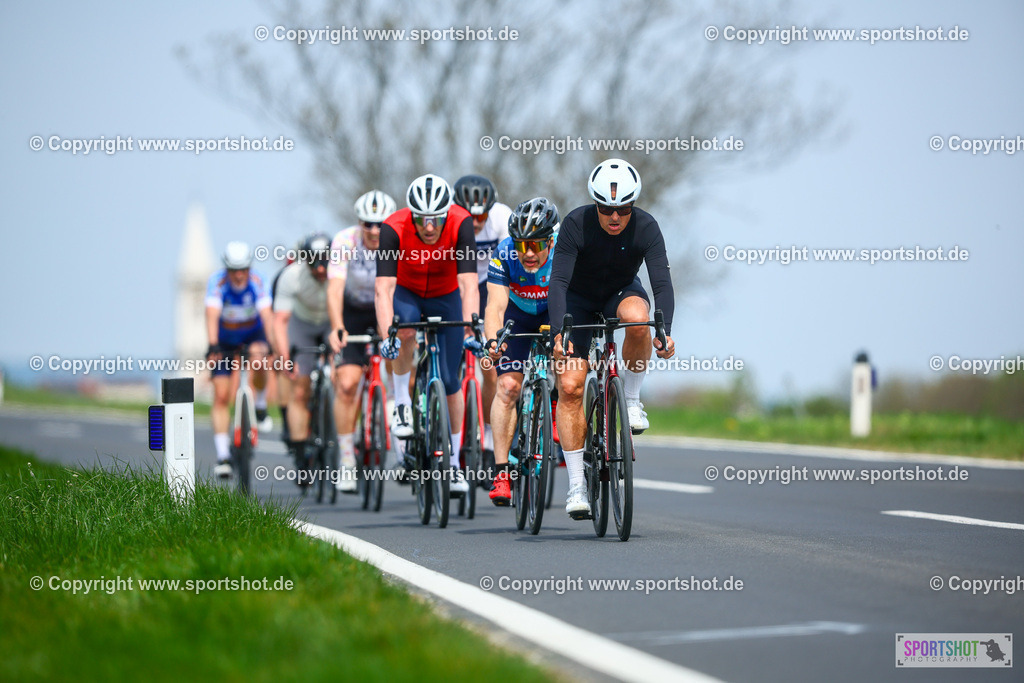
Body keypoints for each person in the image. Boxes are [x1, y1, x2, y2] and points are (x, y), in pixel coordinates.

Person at [549, 159, 676, 519]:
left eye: (623, 209)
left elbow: (662, 283)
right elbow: (557, 283)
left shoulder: (647, 227)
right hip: (578, 300)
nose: (615, 216)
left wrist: (665, 332)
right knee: (571, 385)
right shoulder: (576, 224)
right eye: (607, 209)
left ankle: (632, 400)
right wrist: (561, 332)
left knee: (639, 320)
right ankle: (576, 485)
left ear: (633, 206)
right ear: (596, 205)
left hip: (620, 292)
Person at [374, 174, 478, 494]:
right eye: (422, 219)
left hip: (445, 294)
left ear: (447, 214)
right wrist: (386, 336)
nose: (429, 227)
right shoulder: (393, 228)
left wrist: (471, 325)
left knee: (449, 382)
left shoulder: (462, 223)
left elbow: (468, 283)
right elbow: (383, 289)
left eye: (436, 219)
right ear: (412, 215)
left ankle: (455, 465)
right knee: (403, 331)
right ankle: (403, 403)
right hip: (407, 291)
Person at [483, 197, 559, 505]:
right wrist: (493, 340)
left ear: (551, 240)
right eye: (521, 244)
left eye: (536, 244)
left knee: (568, 366)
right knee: (508, 386)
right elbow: (495, 306)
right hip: (518, 315)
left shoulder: (566, 252)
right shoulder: (503, 254)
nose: (527, 253)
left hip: (554, 311)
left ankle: (554, 409)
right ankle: (501, 473)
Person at [327, 190, 397, 493]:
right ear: (359, 223)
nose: (374, 231)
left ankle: (400, 440)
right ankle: (346, 460)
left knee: (402, 372)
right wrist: (338, 326)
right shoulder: (345, 241)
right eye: (368, 224)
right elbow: (334, 288)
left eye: (380, 224)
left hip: (387, 308)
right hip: (354, 311)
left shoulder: (398, 240)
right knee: (346, 384)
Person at [452, 175, 512, 469]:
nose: (476, 222)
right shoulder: (448, 220)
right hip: (457, 283)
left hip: (492, 283)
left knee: (490, 367)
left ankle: (489, 439)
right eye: (470, 216)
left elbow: (509, 264)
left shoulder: (502, 216)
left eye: (481, 216)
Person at [205, 241, 278, 478]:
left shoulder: (258, 280)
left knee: (259, 359)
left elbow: (267, 315)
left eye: (243, 269)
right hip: (225, 340)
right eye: (233, 270)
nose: (239, 275)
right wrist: (213, 344)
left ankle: (260, 406)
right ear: (226, 269)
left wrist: (272, 345)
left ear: (249, 268)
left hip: (252, 334)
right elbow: (212, 314)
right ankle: (223, 456)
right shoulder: (217, 282)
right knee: (221, 394)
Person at [275, 232, 333, 478]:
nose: (320, 269)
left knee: (342, 377)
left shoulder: (342, 270)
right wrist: (286, 356)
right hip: (303, 325)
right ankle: (300, 453)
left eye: (325, 261)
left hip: (331, 322)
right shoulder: (291, 276)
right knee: (300, 389)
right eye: (314, 263)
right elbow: (280, 321)